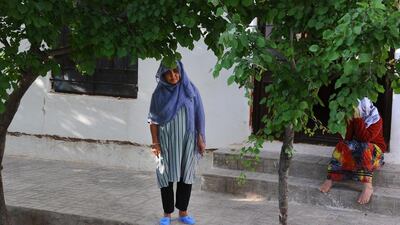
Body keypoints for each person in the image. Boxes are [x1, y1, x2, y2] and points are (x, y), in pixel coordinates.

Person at [148, 61, 206, 225]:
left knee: (185, 175)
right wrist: (155, 144)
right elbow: (152, 120)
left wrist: (200, 139)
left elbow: (198, 116)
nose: (173, 76)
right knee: (165, 174)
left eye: (176, 71)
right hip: (165, 142)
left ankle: (183, 212)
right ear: (163, 74)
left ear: (181, 71)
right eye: (169, 72)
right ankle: (167, 214)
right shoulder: (158, 94)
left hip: (188, 140)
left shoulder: (190, 90)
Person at [319, 97, 386, 204]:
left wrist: (358, 119)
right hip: (358, 150)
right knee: (342, 145)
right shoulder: (352, 117)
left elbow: (364, 138)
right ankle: (331, 178)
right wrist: (350, 121)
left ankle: (368, 186)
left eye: (356, 109)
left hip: (375, 154)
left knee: (364, 147)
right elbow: (346, 138)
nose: (353, 111)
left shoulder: (376, 119)